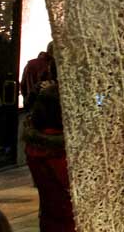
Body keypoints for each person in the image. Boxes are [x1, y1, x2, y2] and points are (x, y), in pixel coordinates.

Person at [23, 81, 77, 232]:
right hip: (70, 221)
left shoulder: (35, 143)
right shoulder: (58, 151)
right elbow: (71, 185)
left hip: (50, 218)